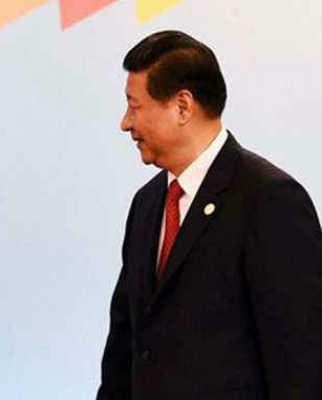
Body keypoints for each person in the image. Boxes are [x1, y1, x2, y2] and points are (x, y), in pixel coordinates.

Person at [96, 30, 322, 399]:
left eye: (134, 107)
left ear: (182, 106)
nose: (125, 122)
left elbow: (300, 361)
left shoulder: (269, 199)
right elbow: (125, 348)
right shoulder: (147, 204)